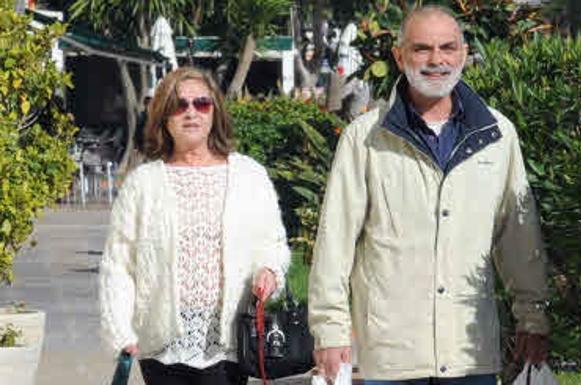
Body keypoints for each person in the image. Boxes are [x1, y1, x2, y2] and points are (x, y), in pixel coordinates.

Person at [308, 5, 549, 385]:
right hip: (392, 354)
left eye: (447, 48)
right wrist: (330, 329)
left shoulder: (498, 135)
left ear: (464, 54)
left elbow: (518, 235)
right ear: (399, 56)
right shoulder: (364, 138)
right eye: (421, 49)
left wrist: (532, 316)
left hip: (470, 353)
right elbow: (336, 239)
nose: (436, 60)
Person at [99, 66, 290, 385]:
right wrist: (121, 332)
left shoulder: (249, 176)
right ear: (163, 116)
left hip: (229, 343)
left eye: (201, 103)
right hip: (161, 345)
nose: (191, 113)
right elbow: (118, 265)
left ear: (215, 111)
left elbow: (272, 244)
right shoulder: (142, 184)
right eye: (179, 105)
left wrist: (269, 270)